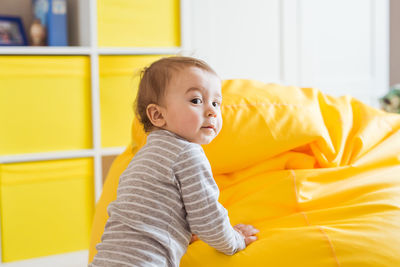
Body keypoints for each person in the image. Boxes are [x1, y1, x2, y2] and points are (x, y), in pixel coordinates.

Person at [89, 56, 259, 267]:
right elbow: (207, 218)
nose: (212, 111)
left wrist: (182, 232)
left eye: (216, 103)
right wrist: (236, 240)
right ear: (158, 115)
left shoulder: (141, 158)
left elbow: (146, 215)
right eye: (196, 100)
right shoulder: (188, 154)